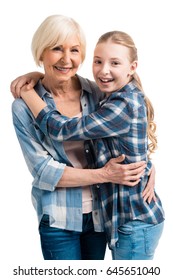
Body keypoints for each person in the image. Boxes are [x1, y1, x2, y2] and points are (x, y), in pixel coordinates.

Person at [11, 16, 157, 260]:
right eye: (56, 48)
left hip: (102, 217)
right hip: (59, 220)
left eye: (74, 50)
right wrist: (105, 174)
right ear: (41, 52)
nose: (66, 58)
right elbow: (44, 172)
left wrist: (147, 166)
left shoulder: (98, 91)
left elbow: (128, 135)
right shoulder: (23, 107)